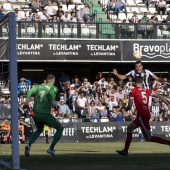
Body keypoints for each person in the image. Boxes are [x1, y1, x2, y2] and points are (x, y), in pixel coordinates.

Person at [116, 77, 170, 156]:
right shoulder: (147, 91)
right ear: (142, 83)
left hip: (142, 115)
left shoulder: (133, 91)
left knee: (148, 137)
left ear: (135, 83)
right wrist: (168, 104)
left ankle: (169, 142)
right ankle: (125, 150)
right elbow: (159, 96)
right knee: (129, 128)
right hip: (143, 115)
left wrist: (125, 109)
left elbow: (130, 105)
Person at [25, 74, 63, 157]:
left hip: (35, 114)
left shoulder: (39, 87)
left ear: (46, 80)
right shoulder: (53, 88)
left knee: (39, 130)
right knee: (60, 128)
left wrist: (26, 103)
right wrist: (55, 106)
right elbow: (50, 96)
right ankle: (51, 148)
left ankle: (29, 145)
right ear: (53, 81)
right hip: (44, 114)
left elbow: (29, 91)